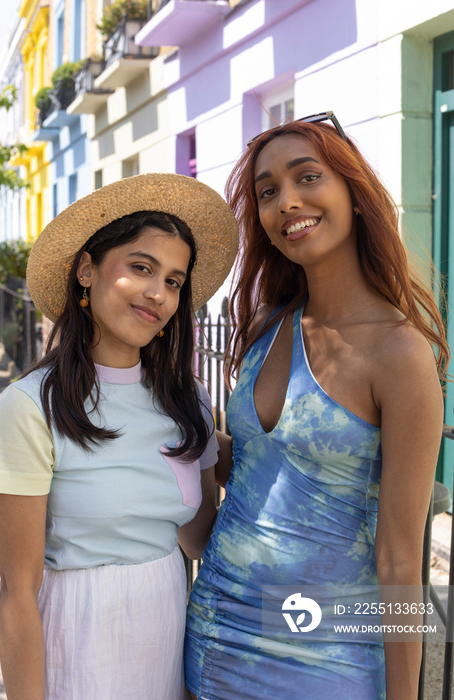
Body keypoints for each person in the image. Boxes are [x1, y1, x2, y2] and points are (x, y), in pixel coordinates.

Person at [185, 113, 449, 700]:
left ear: (353, 193)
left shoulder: (397, 351)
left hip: (325, 659)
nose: (287, 201)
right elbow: (262, 469)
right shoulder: (266, 326)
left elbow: (402, 560)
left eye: (308, 177)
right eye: (268, 192)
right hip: (214, 632)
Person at [0, 172, 238, 700]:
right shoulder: (32, 406)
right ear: (87, 269)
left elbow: (199, 541)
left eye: (173, 280)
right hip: (77, 646)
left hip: (169, 638)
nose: (159, 293)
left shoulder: (188, 399)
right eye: (141, 267)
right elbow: (17, 593)